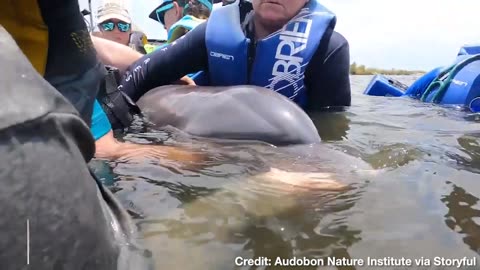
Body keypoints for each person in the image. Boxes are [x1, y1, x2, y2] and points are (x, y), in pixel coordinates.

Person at [0, 0, 151, 269]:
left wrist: (152, 64)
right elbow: (106, 149)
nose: (115, 30)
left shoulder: (79, 55)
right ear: (97, 27)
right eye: (108, 24)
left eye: (122, 25)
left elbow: (92, 47)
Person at [104, 0, 351, 112]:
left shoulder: (329, 48)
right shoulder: (214, 32)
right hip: (208, 155)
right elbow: (142, 73)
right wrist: (114, 119)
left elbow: (332, 136)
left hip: (284, 161)